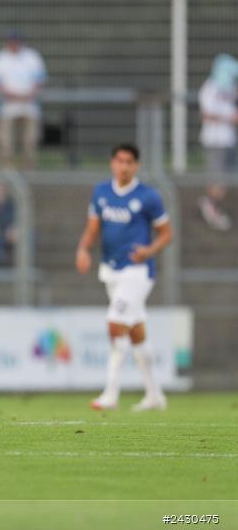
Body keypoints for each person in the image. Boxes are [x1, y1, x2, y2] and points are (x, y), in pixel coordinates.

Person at [75, 144, 172, 412]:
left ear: (136, 166)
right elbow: (93, 228)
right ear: (112, 163)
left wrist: (149, 250)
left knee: (115, 324)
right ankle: (154, 395)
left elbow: (166, 233)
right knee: (136, 332)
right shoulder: (101, 192)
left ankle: (110, 394)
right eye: (120, 161)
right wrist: (83, 249)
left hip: (137, 271)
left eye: (129, 162)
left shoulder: (148, 196)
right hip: (111, 269)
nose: (124, 166)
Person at [0, 30, 46, 169]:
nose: (14, 44)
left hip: (29, 107)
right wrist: (10, 94)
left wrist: (29, 94)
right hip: (7, 108)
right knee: (5, 145)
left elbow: (40, 80)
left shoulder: (32, 57)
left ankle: (30, 173)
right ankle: (7, 173)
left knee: (30, 143)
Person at [197, 54, 238, 232]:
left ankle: (212, 205)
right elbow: (207, 114)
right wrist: (230, 118)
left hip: (228, 140)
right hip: (215, 140)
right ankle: (210, 206)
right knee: (218, 178)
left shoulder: (228, 87)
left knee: (226, 178)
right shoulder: (209, 88)